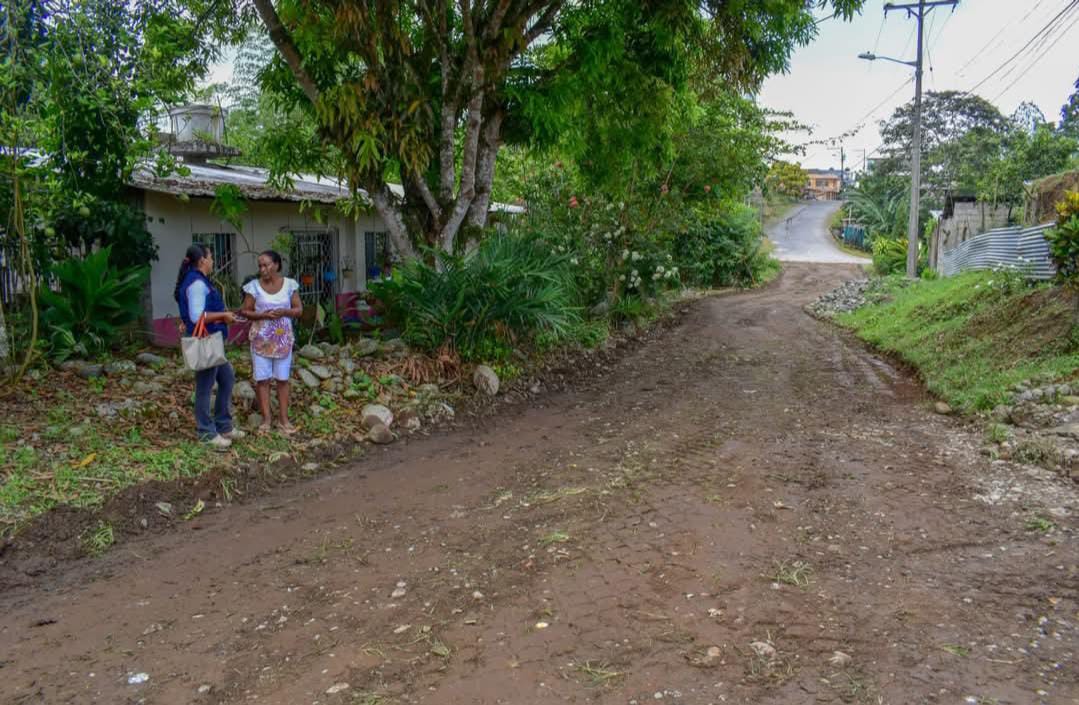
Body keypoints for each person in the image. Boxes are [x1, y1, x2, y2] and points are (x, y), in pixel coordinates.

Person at [175, 244, 245, 450]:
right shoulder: (197, 283)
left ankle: (224, 425)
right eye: (211, 257)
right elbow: (197, 316)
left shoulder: (197, 280)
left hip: (212, 340)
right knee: (205, 386)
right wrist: (223, 315)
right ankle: (206, 432)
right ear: (202, 261)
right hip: (205, 341)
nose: (213, 261)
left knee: (227, 377)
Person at [240, 250, 302, 434]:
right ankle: (266, 420)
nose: (262, 269)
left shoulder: (289, 285)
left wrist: (285, 312)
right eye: (260, 266)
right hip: (261, 341)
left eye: (266, 265)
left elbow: (299, 310)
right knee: (263, 380)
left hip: (283, 341)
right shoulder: (253, 287)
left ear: (276, 265)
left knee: (283, 379)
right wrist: (263, 315)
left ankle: (283, 420)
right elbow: (245, 311)